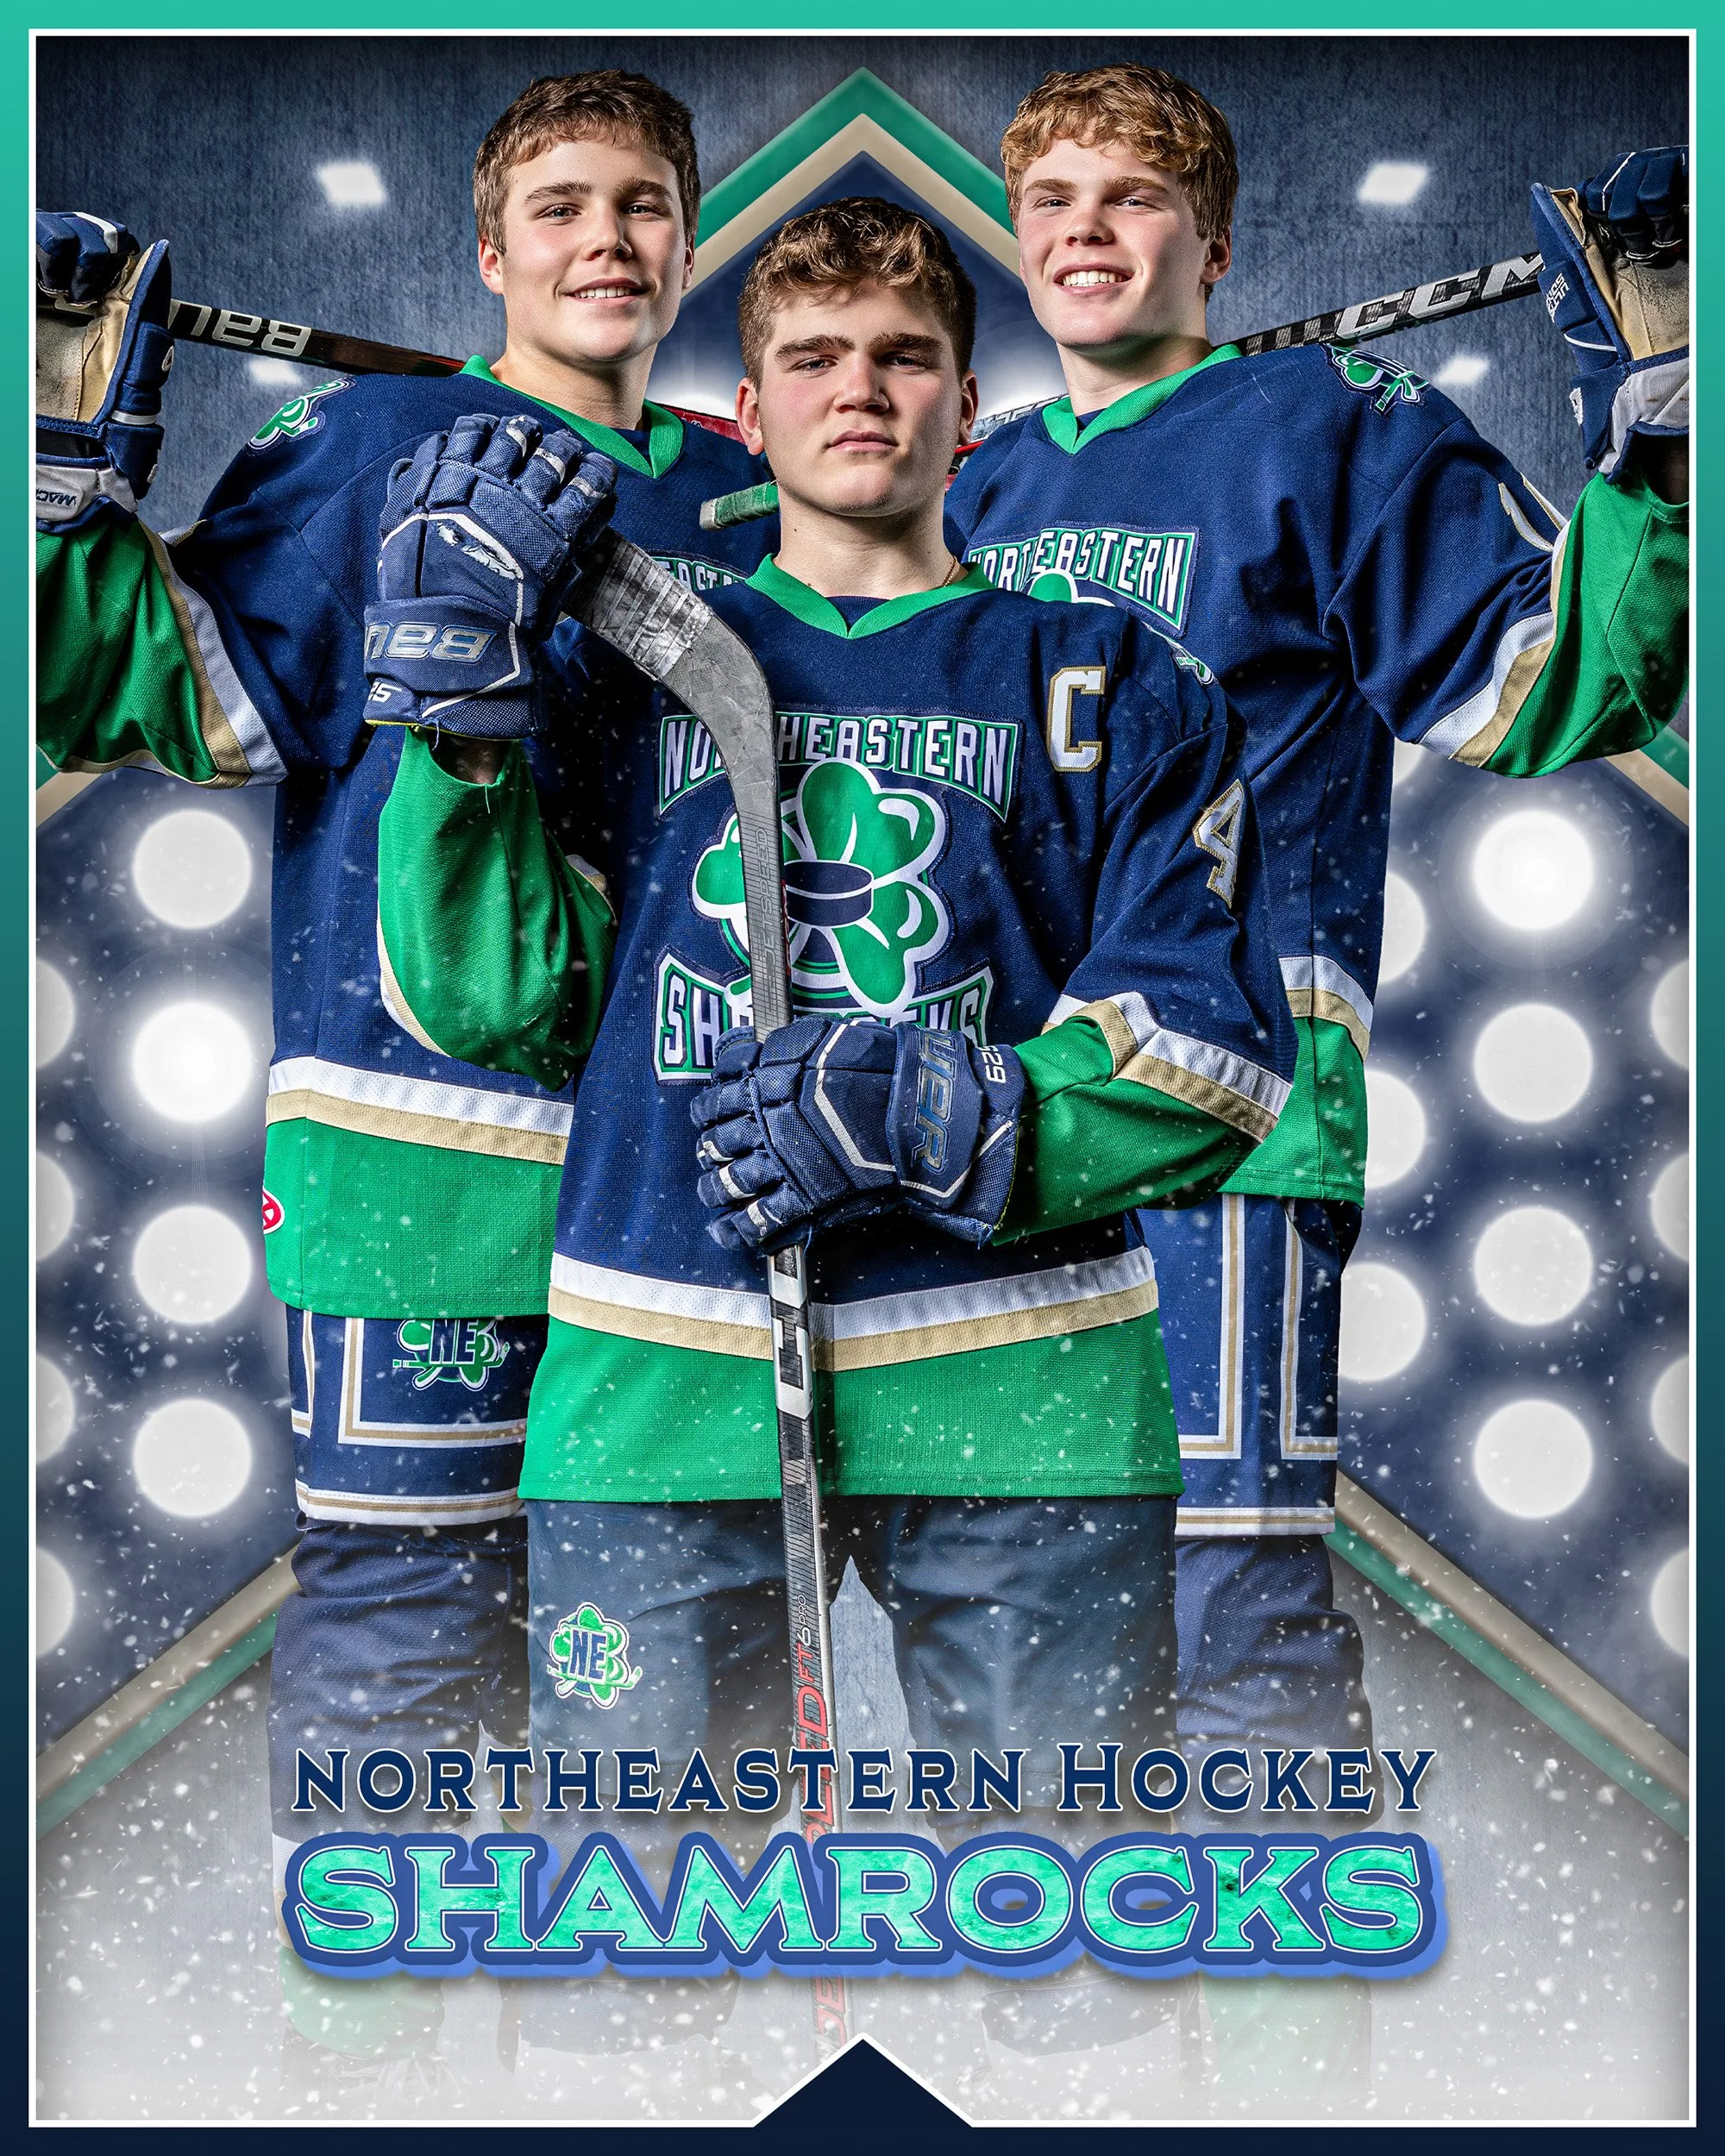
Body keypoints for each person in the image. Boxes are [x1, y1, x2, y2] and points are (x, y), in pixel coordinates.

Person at [372, 195, 1293, 2068]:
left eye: (902, 356)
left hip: (1019, 1383)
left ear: (970, 404)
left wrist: (957, 1107)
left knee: (1081, 1951)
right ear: (749, 409)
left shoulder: (1106, 676)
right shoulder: (618, 663)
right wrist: (457, 741)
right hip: (661, 1371)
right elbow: (489, 997)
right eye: (812, 358)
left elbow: (1217, 1053)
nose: (858, 388)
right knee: (629, 1963)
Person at [943, 60, 1687, 2109]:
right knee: (1027, 1622)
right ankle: (1063, 2074)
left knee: (1231, 1607)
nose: (1087, 230)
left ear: (1218, 238)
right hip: (992, 1135)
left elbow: (1551, 689)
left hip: (1224, 1115)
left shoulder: (1328, 431)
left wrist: (1664, 444)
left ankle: (1285, 2093)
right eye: (1056, 197)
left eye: (1135, 197)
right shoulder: (975, 486)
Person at [35, 69, 770, 2100]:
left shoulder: (743, 491)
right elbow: (139, 683)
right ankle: (347, 2092)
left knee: (659, 1673)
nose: (604, 239)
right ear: (489, 249)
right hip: (414, 1163)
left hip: (684, 1185)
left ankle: (636, 2083)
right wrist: (53, 483)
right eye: (558, 207)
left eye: (639, 203)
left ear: (686, 238)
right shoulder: (355, 442)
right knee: (401, 1649)